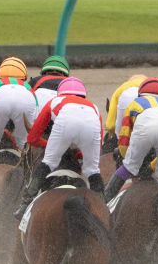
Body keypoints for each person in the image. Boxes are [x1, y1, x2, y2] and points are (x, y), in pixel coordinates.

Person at [14, 77, 104, 219]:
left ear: (60, 93)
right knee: (92, 170)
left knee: (49, 162)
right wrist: (79, 154)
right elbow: (96, 147)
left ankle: (25, 204)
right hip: (91, 127)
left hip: (64, 125)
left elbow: (32, 138)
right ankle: (103, 209)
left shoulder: (55, 101)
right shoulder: (94, 107)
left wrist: (52, 146)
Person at [103, 77, 158, 202]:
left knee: (129, 166)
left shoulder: (135, 103)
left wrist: (127, 159)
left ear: (140, 94)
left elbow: (124, 139)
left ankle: (105, 200)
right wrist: (152, 167)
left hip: (145, 128)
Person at [102, 74, 147, 153]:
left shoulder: (122, 88)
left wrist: (114, 135)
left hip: (123, 139)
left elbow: (110, 126)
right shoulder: (155, 90)